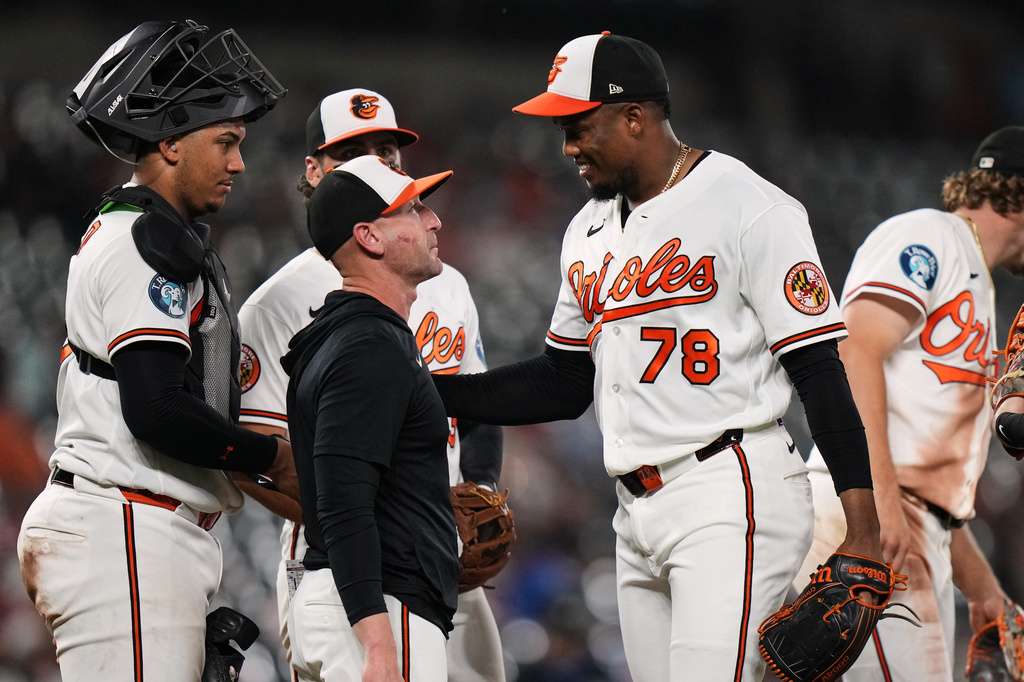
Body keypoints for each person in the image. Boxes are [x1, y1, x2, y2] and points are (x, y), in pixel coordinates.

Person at [431, 31, 885, 681]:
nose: (566, 148)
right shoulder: (586, 231)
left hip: (730, 487)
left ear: (635, 117)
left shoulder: (748, 205)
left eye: (579, 126)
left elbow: (818, 369)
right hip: (634, 514)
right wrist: (431, 389)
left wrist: (862, 529)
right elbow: (563, 382)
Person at [16, 20, 296, 681]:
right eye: (225, 141)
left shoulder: (152, 233)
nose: (239, 162)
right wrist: (274, 458)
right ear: (169, 142)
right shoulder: (145, 240)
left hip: (137, 529)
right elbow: (157, 410)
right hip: (125, 524)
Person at [235, 89, 505, 681]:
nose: (376, 163)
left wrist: (479, 493)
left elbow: (478, 403)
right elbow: (252, 456)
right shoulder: (278, 303)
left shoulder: (446, 280)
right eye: (352, 152)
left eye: (387, 150)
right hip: (358, 563)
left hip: (439, 544)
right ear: (313, 170)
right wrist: (373, 522)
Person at [799, 126, 1024, 680]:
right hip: (866, 511)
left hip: (901, 516)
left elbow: (933, 491)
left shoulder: (977, 286)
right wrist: (877, 502)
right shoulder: (930, 236)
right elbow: (854, 348)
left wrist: (986, 591)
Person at [281, 155, 458, 681]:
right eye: (413, 209)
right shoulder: (368, 345)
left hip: (346, 605)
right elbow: (344, 504)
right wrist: (378, 643)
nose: (434, 221)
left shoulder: (345, 334)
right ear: (370, 237)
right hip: (377, 609)